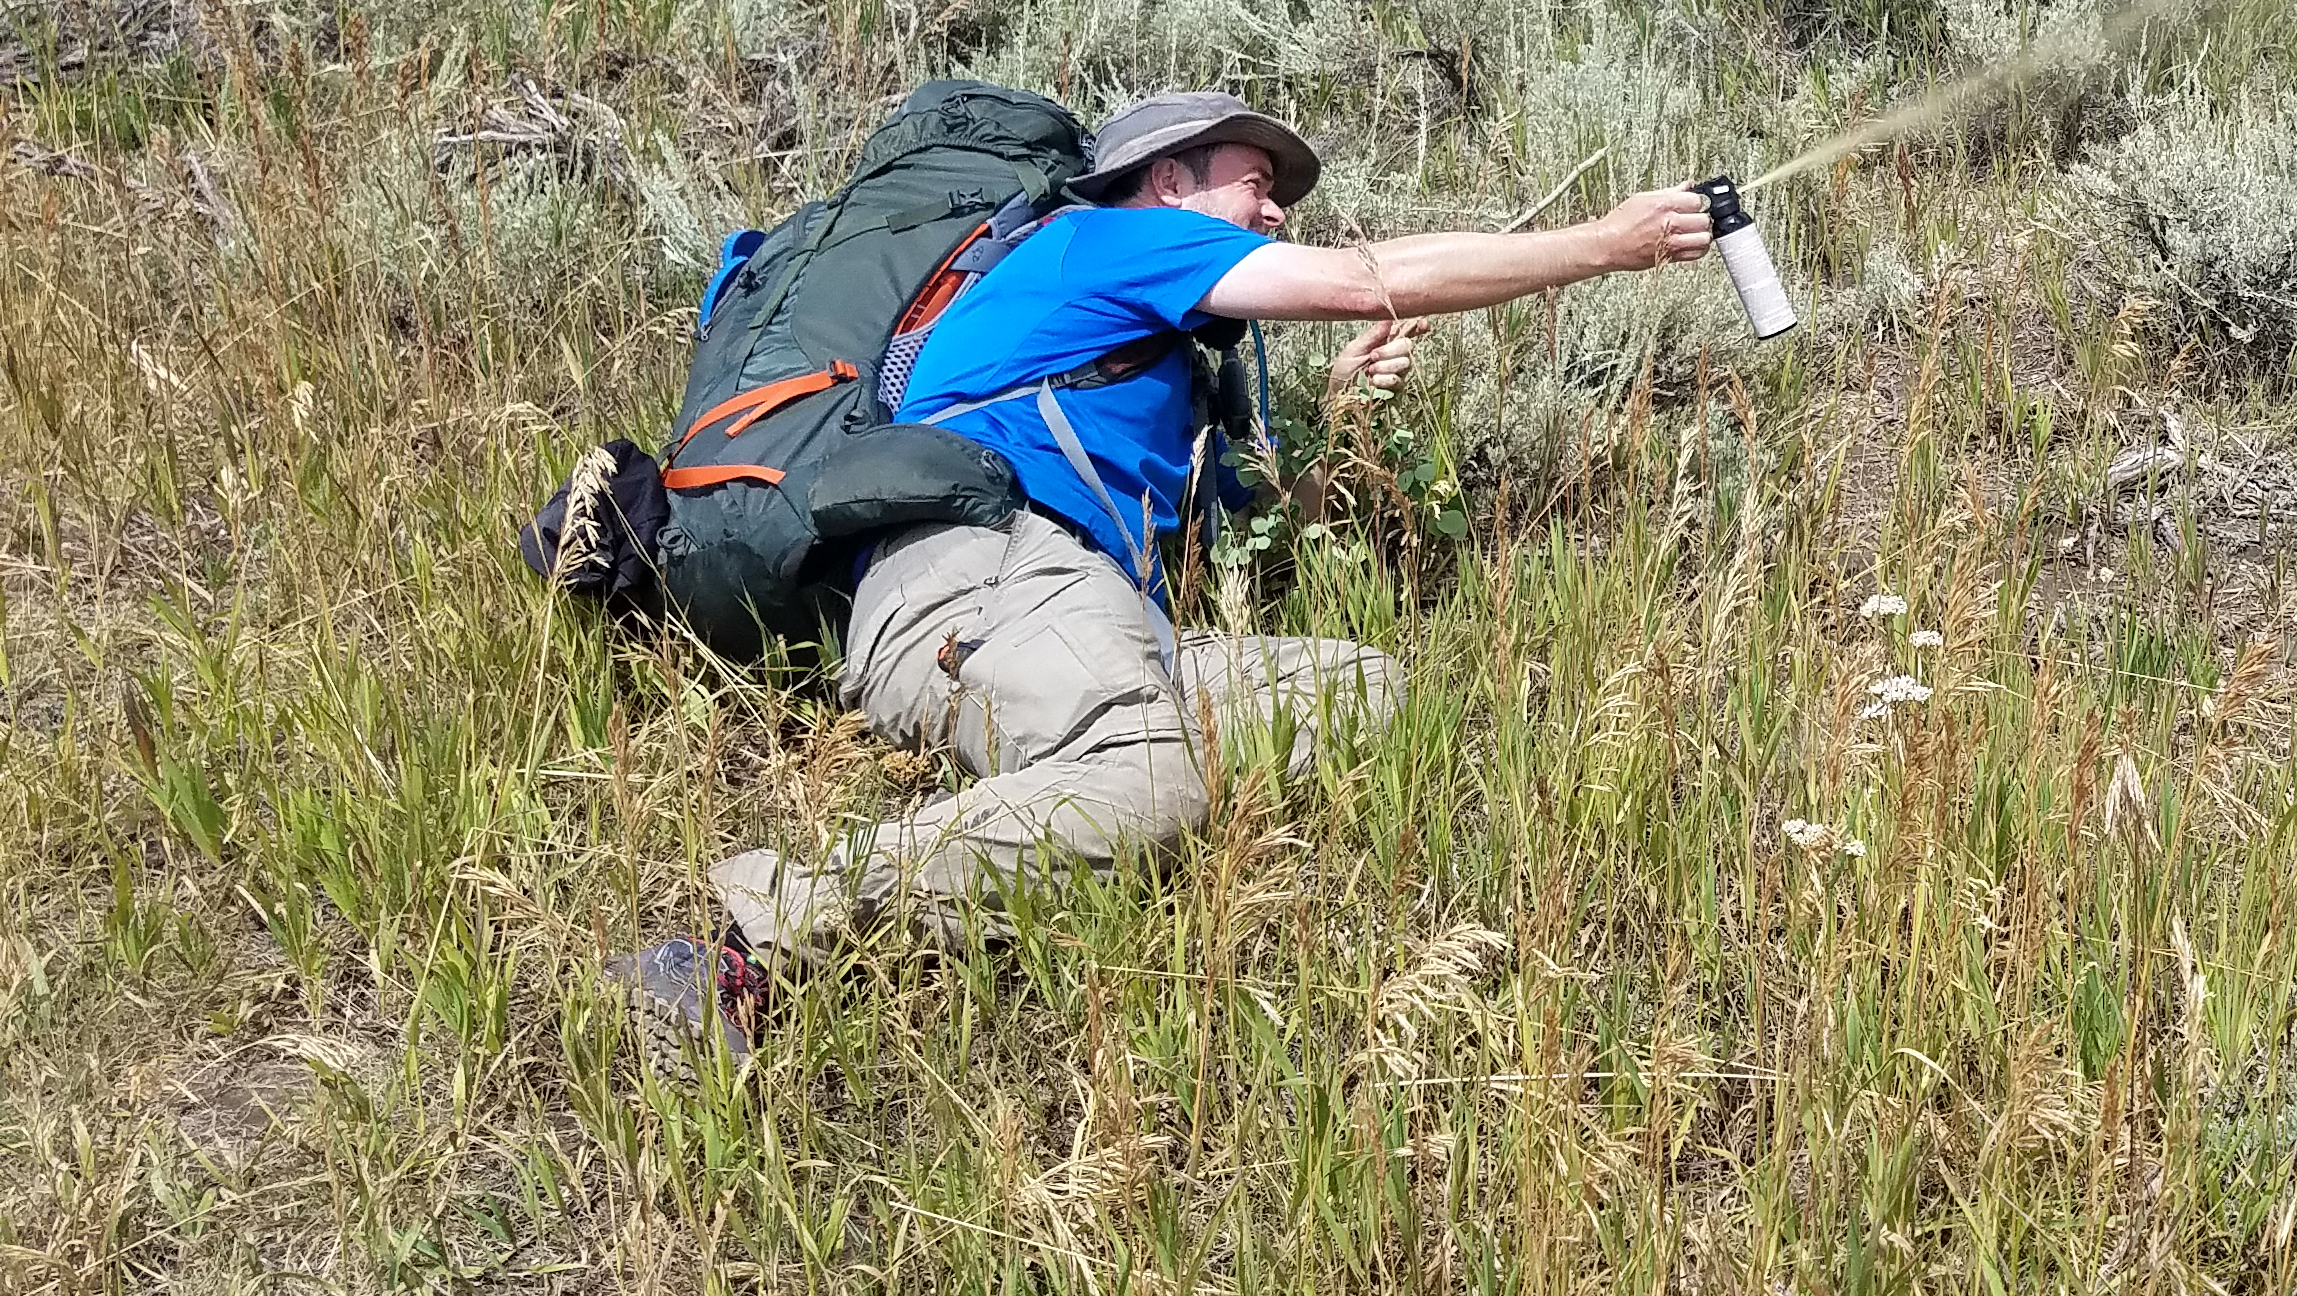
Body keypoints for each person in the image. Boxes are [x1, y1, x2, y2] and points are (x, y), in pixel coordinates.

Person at [614, 90, 1713, 1060]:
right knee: (1155, 776)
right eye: (1255, 181)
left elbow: (1236, 544)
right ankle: (746, 943)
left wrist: (1326, 423)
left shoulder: (1165, 375)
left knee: (1371, 692)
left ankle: (1070, 789)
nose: (1277, 207)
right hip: (975, 574)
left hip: (1078, 608)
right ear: (1169, 178)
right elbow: (1365, 281)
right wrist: (1604, 244)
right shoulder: (1102, 241)